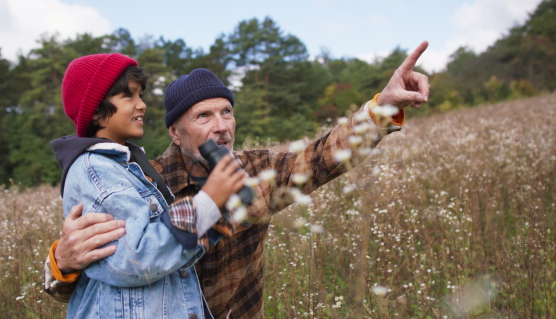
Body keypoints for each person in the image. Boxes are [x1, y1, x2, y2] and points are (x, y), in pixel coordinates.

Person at [45, 41, 432, 318]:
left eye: (226, 112)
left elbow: (325, 156)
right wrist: (61, 263)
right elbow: (106, 272)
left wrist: (383, 108)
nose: (221, 128)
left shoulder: (255, 172)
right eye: (203, 117)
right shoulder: (146, 181)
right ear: (175, 133)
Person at [51, 53, 247, 318]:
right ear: (97, 109)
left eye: (140, 95)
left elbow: (173, 253)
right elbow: (134, 259)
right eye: (129, 96)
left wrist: (214, 211)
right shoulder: (95, 170)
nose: (142, 105)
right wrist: (208, 203)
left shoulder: (132, 168)